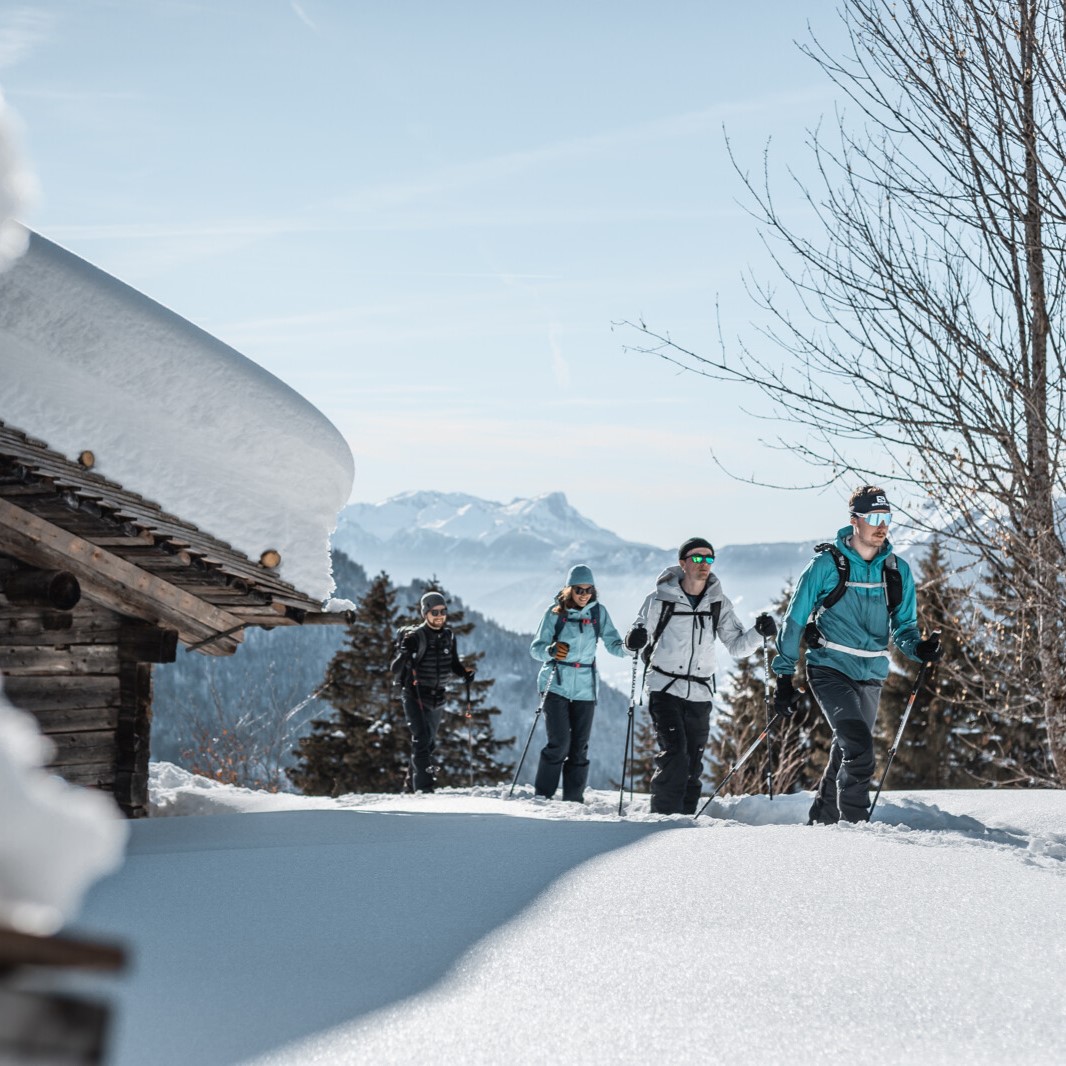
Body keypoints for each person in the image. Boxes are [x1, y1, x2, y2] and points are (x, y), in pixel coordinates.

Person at [771, 486, 942, 825]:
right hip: (829, 669)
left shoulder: (897, 570)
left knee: (847, 751)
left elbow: (904, 627)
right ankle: (854, 831)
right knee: (860, 750)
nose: (882, 526)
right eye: (874, 518)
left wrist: (918, 648)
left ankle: (821, 821)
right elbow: (794, 620)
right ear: (854, 522)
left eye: (887, 518)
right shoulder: (826, 565)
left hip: (872, 673)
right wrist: (783, 677)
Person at [624, 538, 777, 815]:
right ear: (683, 563)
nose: (704, 564)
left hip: (700, 692)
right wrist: (632, 639)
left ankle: (683, 821)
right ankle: (662, 819)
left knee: (693, 763)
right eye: (697, 558)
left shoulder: (718, 602)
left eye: (709, 559)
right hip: (664, 688)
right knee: (675, 755)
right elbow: (637, 637)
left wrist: (759, 633)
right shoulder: (659, 599)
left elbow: (737, 646)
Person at [528, 564, 628, 803]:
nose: (584, 595)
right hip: (555, 683)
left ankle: (574, 800)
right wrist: (551, 650)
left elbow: (614, 644)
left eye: (588, 590)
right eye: (579, 590)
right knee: (559, 743)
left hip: (585, 687)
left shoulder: (598, 614)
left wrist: (630, 647)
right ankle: (543, 796)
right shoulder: (555, 614)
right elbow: (536, 649)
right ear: (569, 590)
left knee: (580, 747)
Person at [390, 591, 475, 793]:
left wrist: (464, 673)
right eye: (434, 612)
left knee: (428, 744)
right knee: (421, 741)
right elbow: (395, 669)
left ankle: (410, 788)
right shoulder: (415, 637)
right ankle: (424, 791)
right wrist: (405, 652)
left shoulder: (448, 636)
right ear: (425, 613)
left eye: (443, 611)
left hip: (437, 697)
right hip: (414, 695)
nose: (439, 616)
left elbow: (453, 664)